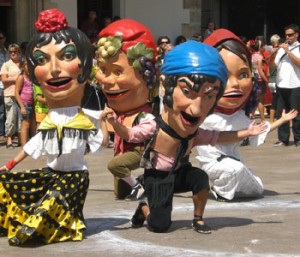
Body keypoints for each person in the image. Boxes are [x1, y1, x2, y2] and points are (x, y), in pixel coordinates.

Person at [104, 40, 269, 234]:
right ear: (166, 86)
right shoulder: (154, 126)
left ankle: (198, 219)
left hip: (180, 173)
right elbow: (131, 135)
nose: (196, 108)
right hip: (157, 177)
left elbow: (219, 137)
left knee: (199, 177)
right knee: (159, 226)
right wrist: (115, 124)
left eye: (209, 96)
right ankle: (144, 207)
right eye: (186, 92)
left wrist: (247, 132)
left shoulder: (195, 134)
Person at [0, 8, 109, 246]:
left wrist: (103, 122)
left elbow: (101, 144)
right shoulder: (49, 121)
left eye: (67, 56)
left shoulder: (86, 117)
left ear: (85, 65)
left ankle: (57, 228)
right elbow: (31, 146)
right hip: (51, 175)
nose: (54, 69)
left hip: (75, 179)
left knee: (49, 207)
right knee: (7, 185)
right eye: (41, 60)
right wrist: (8, 165)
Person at [196, 29, 297, 202]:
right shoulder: (205, 117)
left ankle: (229, 182)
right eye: (224, 76)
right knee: (234, 171)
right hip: (213, 163)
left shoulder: (238, 116)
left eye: (243, 75)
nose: (234, 84)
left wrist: (282, 120)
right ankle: (219, 190)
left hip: (234, 160)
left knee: (256, 188)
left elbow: (258, 130)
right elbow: (210, 138)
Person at [96, 19, 158, 201]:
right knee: (120, 193)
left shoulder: (145, 115)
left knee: (115, 165)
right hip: (122, 152)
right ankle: (138, 182)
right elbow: (104, 141)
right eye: (103, 70)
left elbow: (132, 135)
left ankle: (139, 185)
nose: (106, 81)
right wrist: (103, 122)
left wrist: (114, 123)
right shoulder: (114, 113)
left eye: (117, 72)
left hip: (141, 153)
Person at [272, 24, 300, 147]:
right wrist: (272, 55)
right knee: (281, 113)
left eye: (290, 35)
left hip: (295, 84)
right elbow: (274, 66)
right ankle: (283, 139)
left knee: (296, 114)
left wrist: (288, 51)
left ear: (296, 35)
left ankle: (298, 138)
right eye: (286, 35)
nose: (287, 37)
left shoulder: (298, 48)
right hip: (281, 84)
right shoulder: (281, 49)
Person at [0, 43, 21, 149]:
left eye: (15, 51)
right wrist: (17, 79)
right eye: (11, 52)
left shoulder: (23, 64)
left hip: (22, 95)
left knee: (21, 118)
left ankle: (21, 139)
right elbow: (3, 79)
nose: (13, 53)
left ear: (19, 52)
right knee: (11, 117)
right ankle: (9, 139)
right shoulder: (6, 65)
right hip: (10, 94)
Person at [14, 59, 35, 146]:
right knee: (25, 124)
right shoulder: (21, 77)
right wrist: (22, 107)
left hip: (31, 103)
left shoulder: (31, 78)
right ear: (22, 67)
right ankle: (24, 146)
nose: (30, 68)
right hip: (24, 104)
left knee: (31, 124)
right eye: (28, 66)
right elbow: (16, 93)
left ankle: (30, 144)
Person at [252, 38, 269, 122]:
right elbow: (260, 71)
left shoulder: (253, 55)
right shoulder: (260, 57)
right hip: (260, 80)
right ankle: (263, 119)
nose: (265, 47)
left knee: (256, 99)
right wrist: (266, 81)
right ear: (260, 47)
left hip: (254, 79)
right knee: (261, 101)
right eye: (263, 46)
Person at [267, 34, 281, 123]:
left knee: (275, 100)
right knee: (276, 101)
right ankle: (272, 120)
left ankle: (274, 119)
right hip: (275, 80)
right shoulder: (275, 52)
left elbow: (268, 71)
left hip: (272, 80)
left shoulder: (271, 52)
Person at [0, 30, 9, 144]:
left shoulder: (8, 51)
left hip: (9, 84)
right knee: (1, 111)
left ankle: (8, 133)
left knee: (7, 111)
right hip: (1, 84)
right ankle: (1, 133)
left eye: (1, 38)